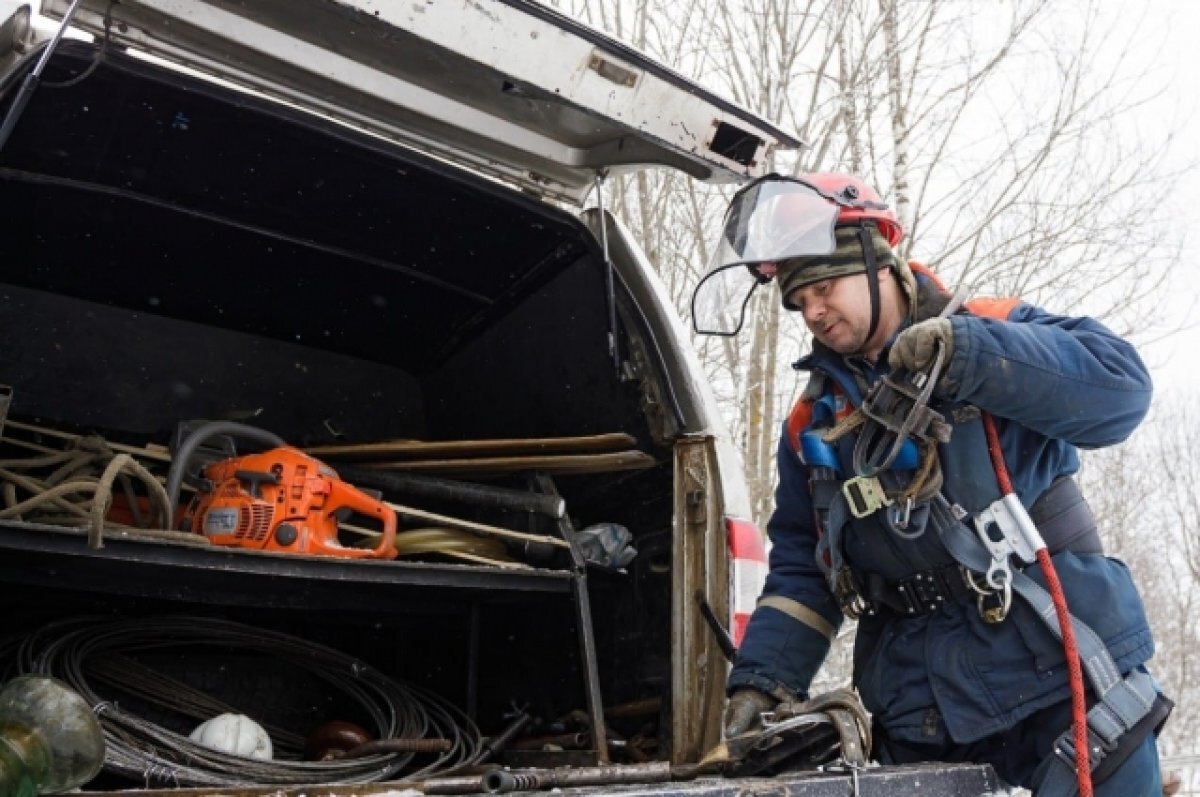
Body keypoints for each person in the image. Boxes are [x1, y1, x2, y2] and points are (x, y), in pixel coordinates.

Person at [698, 173, 1170, 796]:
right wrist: (762, 680)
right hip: (919, 713)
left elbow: (1122, 392)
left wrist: (975, 357)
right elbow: (805, 573)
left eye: (823, 285)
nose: (811, 310)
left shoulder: (991, 330)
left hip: (1061, 685)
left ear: (879, 262)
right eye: (797, 299)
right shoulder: (813, 427)